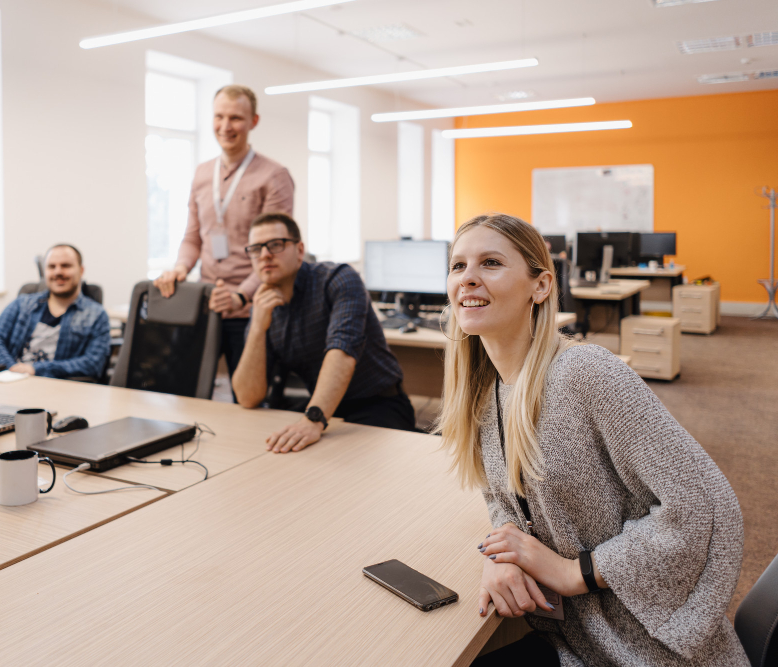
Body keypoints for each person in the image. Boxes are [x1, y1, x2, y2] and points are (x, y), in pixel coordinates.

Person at [435, 214, 747, 666]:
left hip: (647, 649)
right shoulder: (488, 392)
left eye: (490, 263)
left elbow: (704, 507)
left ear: (540, 287)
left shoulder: (586, 374)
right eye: (457, 266)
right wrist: (501, 555)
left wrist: (574, 571)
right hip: (574, 642)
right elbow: (505, 500)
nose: (468, 279)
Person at [232, 213, 416, 453]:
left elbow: (342, 351)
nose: (265, 254)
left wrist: (313, 420)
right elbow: (247, 397)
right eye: (256, 249)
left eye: (275, 245)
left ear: (299, 250)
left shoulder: (338, 279)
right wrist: (257, 327)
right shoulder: (264, 304)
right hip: (321, 409)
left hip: (378, 405)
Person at [152, 84, 294, 380]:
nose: (225, 126)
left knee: (248, 399)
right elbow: (193, 237)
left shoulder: (273, 176)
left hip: (251, 309)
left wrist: (240, 297)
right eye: (219, 117)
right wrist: (180, 268)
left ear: (253, 121)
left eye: (236, 118)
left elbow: (276, 256)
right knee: (184, 387)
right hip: (206, 304)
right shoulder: (202, 173)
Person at [0, 244, 111, 381]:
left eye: (66, 266)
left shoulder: (96, 314)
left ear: (81, 270)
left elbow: (93, 363)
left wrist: (35, 369)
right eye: (51, 266)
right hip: (12, 383)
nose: (58, 272)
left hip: (58, 389)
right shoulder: (22, 304)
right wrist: (13, 368)